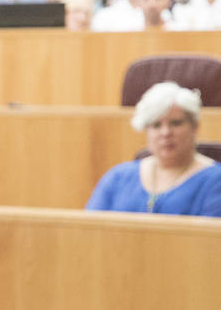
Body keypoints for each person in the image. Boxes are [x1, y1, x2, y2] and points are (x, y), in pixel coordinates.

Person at [86, 82, 220, 217]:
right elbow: (90, 232)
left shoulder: (216, 180)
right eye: (156, 125)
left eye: (176, 123)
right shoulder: (118, 177)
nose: (166, 133)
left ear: (195, 126)